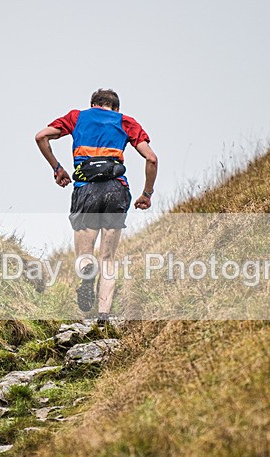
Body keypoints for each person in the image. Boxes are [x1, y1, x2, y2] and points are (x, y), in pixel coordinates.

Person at [35, 89, 158, 324]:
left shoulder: (77, 117)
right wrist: (146, 194)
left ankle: (87, 279)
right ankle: (103, 316)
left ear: (92, 105)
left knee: (85, 253)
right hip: (116, 190)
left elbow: (41, 136)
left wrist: (57, 168)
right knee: (108, 257)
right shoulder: (126, 122)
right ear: (116, 108)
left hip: (86, 190)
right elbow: (151, 158)